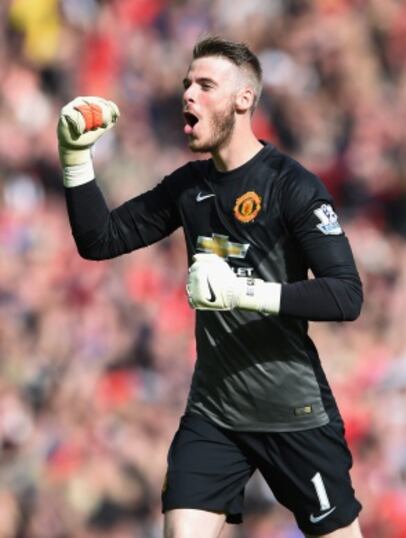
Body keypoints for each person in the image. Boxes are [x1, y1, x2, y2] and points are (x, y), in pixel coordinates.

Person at [57, 37, 364, 538]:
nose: (188, 96)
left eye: (204, 85)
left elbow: (346, 294)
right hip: (215, 413)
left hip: (293, 411)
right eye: (186, 85)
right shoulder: (188, 187)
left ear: (244, 99)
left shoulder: (293, 186)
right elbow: (100, 239)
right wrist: (75, 158)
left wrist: (246, 292)